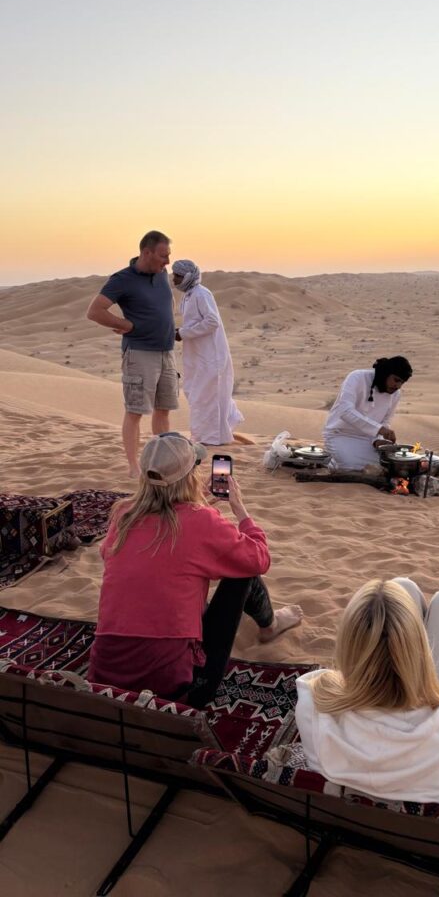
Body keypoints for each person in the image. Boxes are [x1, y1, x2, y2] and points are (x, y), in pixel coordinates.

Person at [88, 432, 302, 707]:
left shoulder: (123, 514)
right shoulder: (201, 521)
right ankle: (270, 626)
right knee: (243, 573)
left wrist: (195, 507)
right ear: (190, 476)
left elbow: (118, 554)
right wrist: (240, 509)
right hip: (175, 691)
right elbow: (258, 558)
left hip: (105, 678)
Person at [295, 578, 439, 810]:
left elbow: (329, 681)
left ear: (347, 649)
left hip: (354, 816)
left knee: (402, 587)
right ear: (421, 651)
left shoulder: (312, 707)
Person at [87, 231, 178, 477]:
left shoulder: (162, 274)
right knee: (135, 411)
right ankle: (134, 467)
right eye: (163, 256)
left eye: (169, 255)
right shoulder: (122, 279)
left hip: (166, 352)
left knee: (164, 409)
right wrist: (125, 325)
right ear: (146, 252)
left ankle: (162, 463)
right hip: (140, 353)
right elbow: (95, 311)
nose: (168, 261)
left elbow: (165, 305)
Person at [172, 259, 243, 445]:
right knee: (196, 395)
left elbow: (212, 322)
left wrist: (183, 333)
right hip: (197, 355)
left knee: (207, 397)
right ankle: (204, 437)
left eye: (178, 276)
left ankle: (212, 439)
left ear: (188, 276)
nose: (174, 279)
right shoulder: (189, 295)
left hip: (211, 356)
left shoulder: (202, 294)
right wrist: (181, 332)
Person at [323, 356, 413, 470]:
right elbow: (345, 411)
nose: (398, 386)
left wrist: (378, 439)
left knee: (387, 466)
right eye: (396, 380)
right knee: (351, 467)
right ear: (386, 373)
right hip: (340, 435)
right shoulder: (357, 377)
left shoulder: (396, 394)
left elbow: (385, 421)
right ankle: (330, 461)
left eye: (402, 382)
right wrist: (379, 429)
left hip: (369, 440)